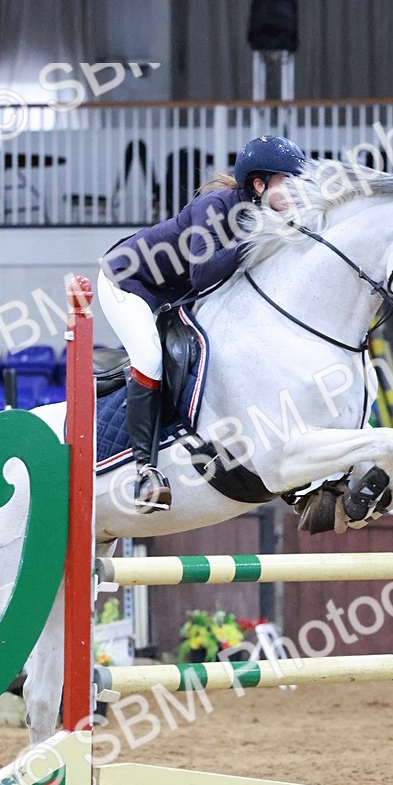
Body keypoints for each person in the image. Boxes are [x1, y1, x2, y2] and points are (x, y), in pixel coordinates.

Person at [99, 134, 306, 511]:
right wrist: (257, 236)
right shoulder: (215, 206)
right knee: (149, 358)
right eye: (289, 182)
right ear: (259, 185)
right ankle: (145, 473)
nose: (297, 193)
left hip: (173, 296)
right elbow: (203, 274)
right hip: (127, 281)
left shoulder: (266, 215)